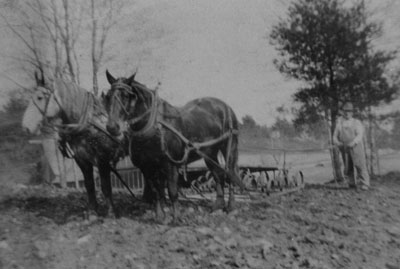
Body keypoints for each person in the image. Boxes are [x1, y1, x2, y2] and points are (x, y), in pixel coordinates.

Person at [333, 102, 370, 190]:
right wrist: (338, 143)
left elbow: (359, 135)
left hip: (356, 146)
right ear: (342, 112)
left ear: (352, 112)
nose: (347, 113)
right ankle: (351, 183)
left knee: (360, 164)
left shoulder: (356, 122)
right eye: (345, 111)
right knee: (347, 165)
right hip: (345, 147)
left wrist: (353, 143)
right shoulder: (340, 122)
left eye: (349, 111)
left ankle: (364, 183)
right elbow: (335, 135)